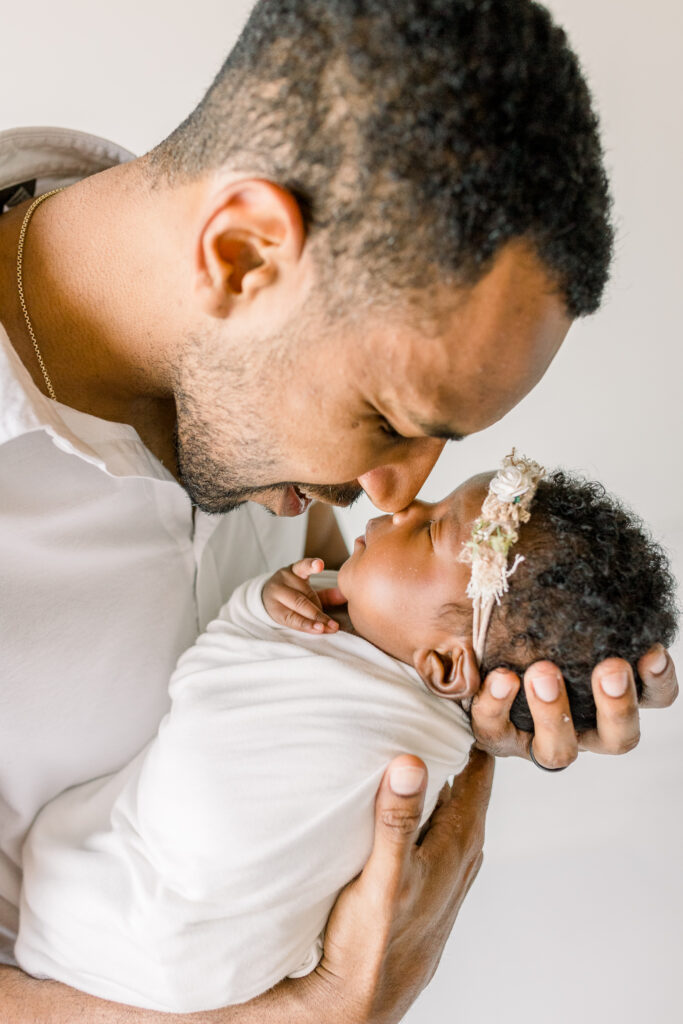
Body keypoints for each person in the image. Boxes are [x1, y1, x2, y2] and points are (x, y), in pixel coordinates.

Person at [0, 1, 677, 1020]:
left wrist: (438, 688)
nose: (397, 490)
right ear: (240, 255)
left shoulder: (250, 421)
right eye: (391, 420)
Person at [14, 454, 678, 1013]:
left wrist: (266, 604)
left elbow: (227, 669)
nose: (398, 503)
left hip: (149, 937)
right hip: (135, 947)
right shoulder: (386, 654)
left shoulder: (395, 720)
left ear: (444, 667)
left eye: (425, 533)